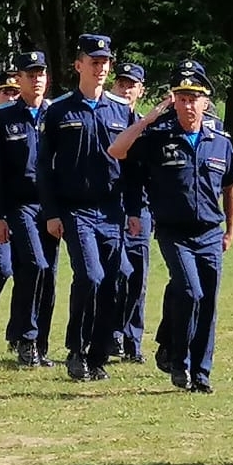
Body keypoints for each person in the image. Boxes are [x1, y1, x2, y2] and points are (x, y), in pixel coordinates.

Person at [109, 61, 233, 394]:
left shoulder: (219, 139)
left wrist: (230, 230)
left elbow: (231, 188)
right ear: (173, 99)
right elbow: (116, 150)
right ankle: (177, 359)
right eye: (181, 97)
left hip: (211, 232)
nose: (188, 104)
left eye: (193, 98)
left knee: (208, 301)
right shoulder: (158, 136)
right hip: (173, 232)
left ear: (205, 101)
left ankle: (201, 372)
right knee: (189, 291)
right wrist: (148, 118)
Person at [38, 35, 137, 381]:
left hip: (112, 211)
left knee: (117, 279)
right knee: (90, 276)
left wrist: (135, 209)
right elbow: (43, 167)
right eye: (93, 61)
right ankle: (76, 350)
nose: (100, 68)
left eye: (105, 62)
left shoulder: (121, 110)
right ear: (78, 65)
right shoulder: (59, 110)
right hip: (76, 210)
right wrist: (51, 212)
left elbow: (133, 167)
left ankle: (98, 356)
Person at [0, 51, 54, 366]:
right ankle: (27, 338)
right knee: (35, 266)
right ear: (18, 79)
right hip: (19, 206)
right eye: (29, 75)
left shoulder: (56, 114)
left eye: (40, 74)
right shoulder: (3, 118)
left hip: (50, 206)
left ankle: (37, 343)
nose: (36, 80)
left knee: (44, 275)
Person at [110, 62, 151, 363]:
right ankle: (110, 334)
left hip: (141, 209)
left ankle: (132, 340)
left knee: (137, 275)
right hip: (108, 206)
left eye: (131, 84)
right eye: (121, 83)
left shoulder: (148, 127)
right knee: (114, 272)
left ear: (141, 90)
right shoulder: (104, 120)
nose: (125, 89)